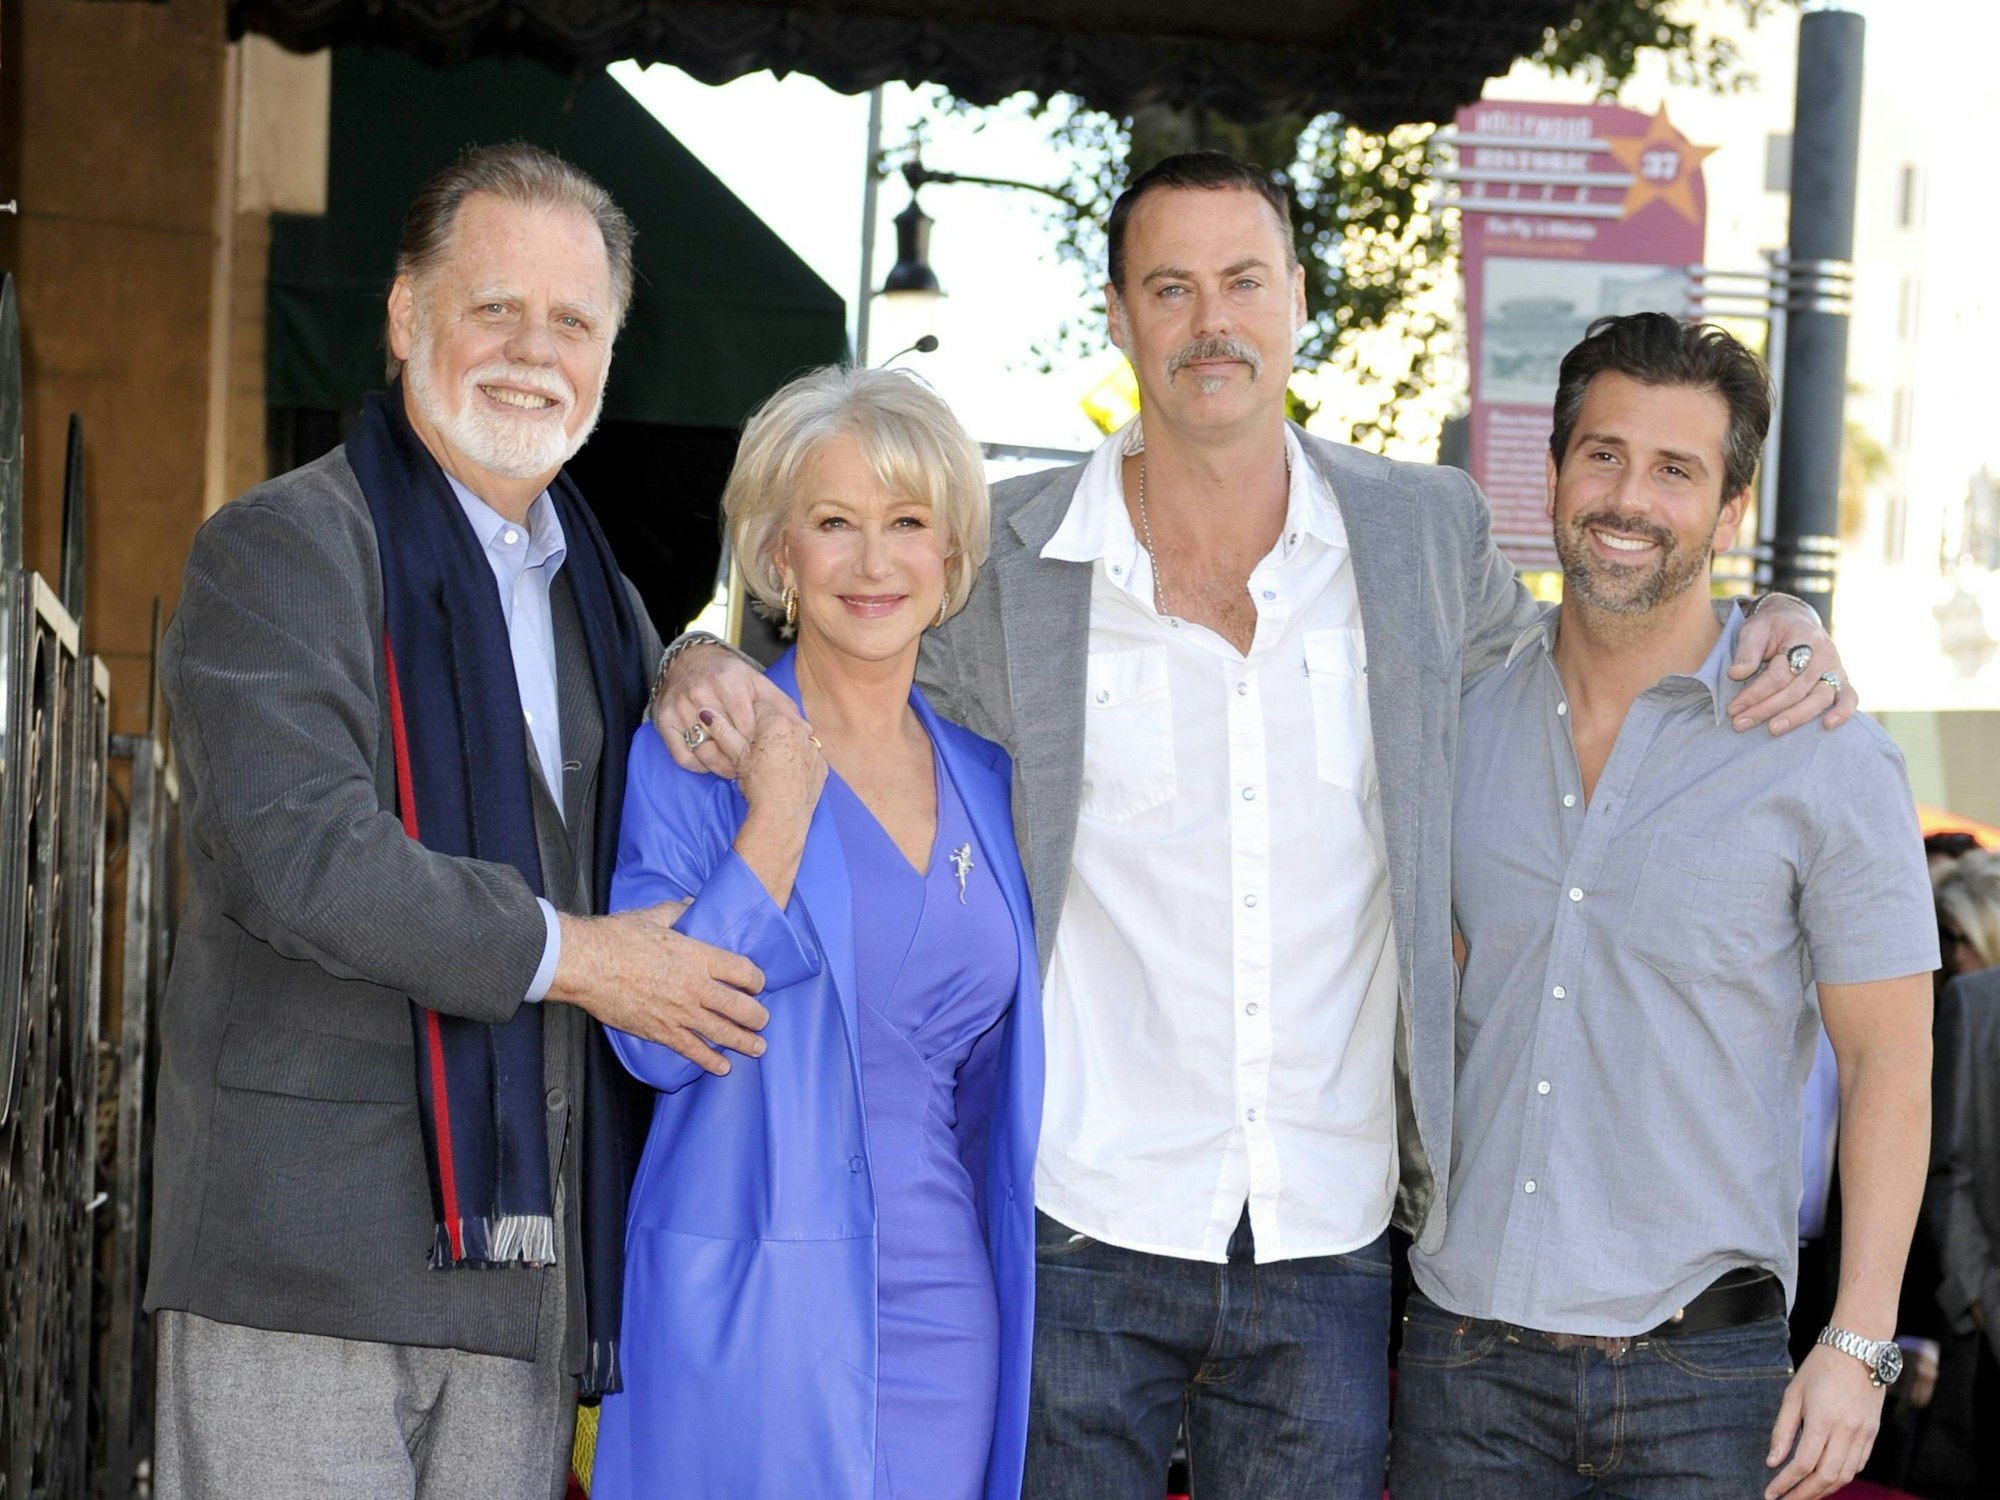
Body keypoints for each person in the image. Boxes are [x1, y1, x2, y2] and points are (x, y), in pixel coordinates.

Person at [657, 154, 1852, 1499]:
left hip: (1326, 1244)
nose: (1208, 320)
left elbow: (1585, 668)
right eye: (1170, 286)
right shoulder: (1007, 557)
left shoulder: (1422, 535)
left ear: (1297, 301)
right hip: (1077, 1226)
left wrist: (1774, 623)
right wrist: (692, 659)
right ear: (1117, 313)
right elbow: (834, 638)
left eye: (1242, 281)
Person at [146, 145, 775, 1500]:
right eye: (495, 307)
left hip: (517, 1289)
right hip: (301, 1266)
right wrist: (588, 957)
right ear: (402, 316)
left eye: (573, 323)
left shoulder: (598, 600)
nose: (531, 352)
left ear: (610, 355)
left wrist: (689, 659)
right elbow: (303, 855)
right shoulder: (281, 549)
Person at [1390, 313, 1937, 1500]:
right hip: (1460, 1357)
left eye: (1674, 470)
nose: (1627, 496)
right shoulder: (1455, 719)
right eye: (1601, 454)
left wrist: (1856, 1347)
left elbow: (1889, 1060)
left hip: (1702, 1379)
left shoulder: (1824, 756)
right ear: (1550, 474)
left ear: (1728, 512)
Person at [588, 366, 1041, 1500]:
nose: (874, 561)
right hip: (747, 1304)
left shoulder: (988, 778)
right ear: (780, 555)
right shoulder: (692, 754)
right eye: (834, 524)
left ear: (949, 555)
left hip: (948, 1308)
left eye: (906, 524)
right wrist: (779, 804)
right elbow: (650, 1041)